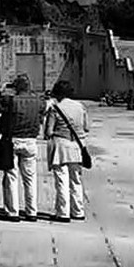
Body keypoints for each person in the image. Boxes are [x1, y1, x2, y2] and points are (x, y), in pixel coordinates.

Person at [0, 74, 45, 222]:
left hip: (12, 141)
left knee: (11, 177)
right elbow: (46, 108)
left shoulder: (9, 100)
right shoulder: (38, 102)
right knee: (30, 178)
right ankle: (32, 211)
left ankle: (12, 212)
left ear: (16, 88)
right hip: (30, 141)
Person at [44, 80, 89, 223]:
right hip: (77, 145)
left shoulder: (55, 109)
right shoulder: (80, 107)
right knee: (76, 180)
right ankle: (78, 211)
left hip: (60, 146)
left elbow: (48, 132)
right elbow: (86, 127)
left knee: (61, 180)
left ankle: (63, 212)